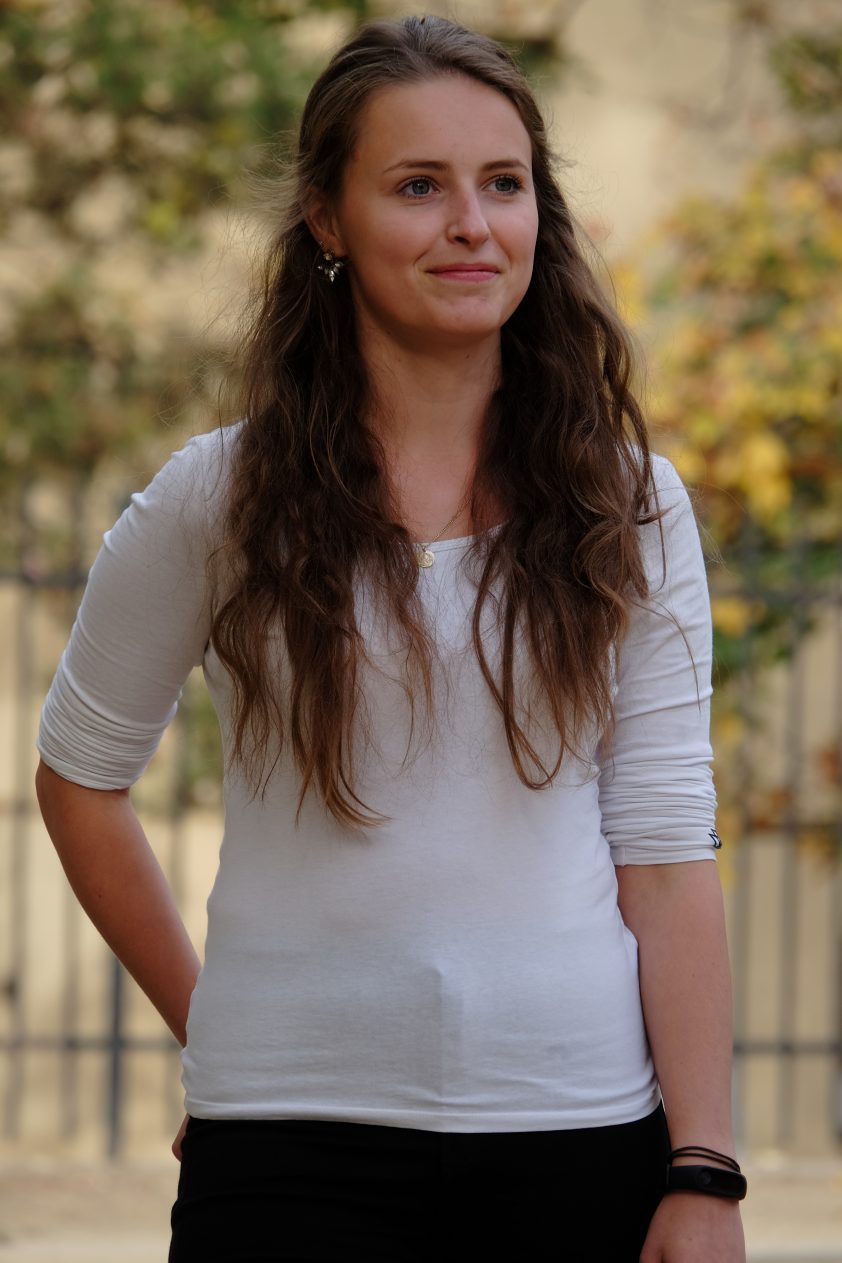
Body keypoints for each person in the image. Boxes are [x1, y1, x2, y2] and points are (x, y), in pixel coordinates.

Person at [35, 14, 747, 1262]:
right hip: (285, 1151)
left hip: (577, 1138)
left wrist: (703, 1169)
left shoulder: (628, 502)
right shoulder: (218, 498)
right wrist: (218, 1029)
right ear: (327, 217)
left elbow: (665, 849)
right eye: (418, 186)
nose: (471, 224)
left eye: (503, 184)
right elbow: (79, 779)